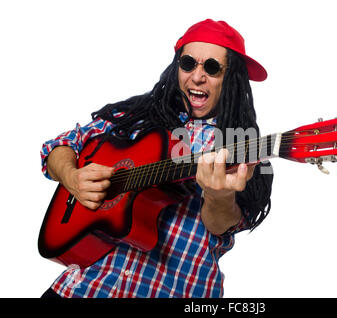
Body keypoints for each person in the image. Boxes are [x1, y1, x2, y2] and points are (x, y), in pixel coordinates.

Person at [39, 19, 273, 298]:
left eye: (211, 68)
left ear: (232, 78)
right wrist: (72, 176)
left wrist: (218, 196)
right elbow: (61, 144)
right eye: (188, 64)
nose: (197, 77)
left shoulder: (243, 147)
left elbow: (223, 225)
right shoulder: (136, 117)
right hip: (83, 287)